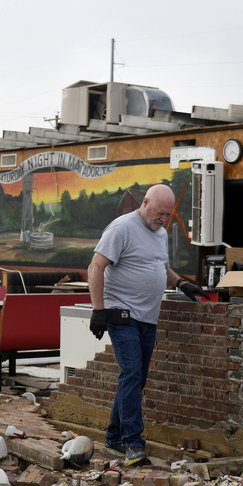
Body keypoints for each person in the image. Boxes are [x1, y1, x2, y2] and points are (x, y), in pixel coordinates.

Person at [87, 183, 205, 466]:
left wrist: (181, 283)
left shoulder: (160, 234)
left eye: (167, 215)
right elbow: (96, 267)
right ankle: (133, 443)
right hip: (122, 315)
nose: (163, 219)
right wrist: (98, 310)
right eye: (159, 213)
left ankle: (114, 437)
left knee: (136, 377)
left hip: (148, 317)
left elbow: (158, 266)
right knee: (131, 373)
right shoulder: (121, 229)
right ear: (145, 203)